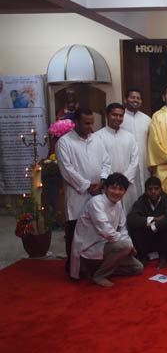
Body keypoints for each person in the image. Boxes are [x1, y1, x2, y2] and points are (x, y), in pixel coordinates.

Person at [56, 107, 111, 271]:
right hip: (77, 195)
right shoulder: (64, 142)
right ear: (76, 122)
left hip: (98, 192)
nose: (90, 127)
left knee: (95, 230)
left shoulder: (97, 140)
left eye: (92, 123)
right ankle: (73, 269)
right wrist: (87, 186)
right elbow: (67, 170)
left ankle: (92, 267)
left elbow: (106, 162)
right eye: (86, 123)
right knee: (75, 233)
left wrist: (102, 181)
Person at [70, 173, 144, 287]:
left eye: (121, 189)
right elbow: (106, 231)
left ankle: (97, 270)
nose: (116, 192)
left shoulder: (118, 204)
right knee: (124, 246)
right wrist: (128, 246)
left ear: (125, 192)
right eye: (113, 188)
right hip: (89, 250)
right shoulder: (96, 202)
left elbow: (122, 229)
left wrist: (129, 245)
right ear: (105, 188)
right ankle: (99, 275)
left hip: (108, 247)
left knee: (137, 268)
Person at [95, 103, 139, 213]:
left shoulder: (129, 136)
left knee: (129, 213)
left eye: (120, 115)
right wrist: (112, 182)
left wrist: (125, 180)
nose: (118, 118)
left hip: (127, 183)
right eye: (114, 115)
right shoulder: (97, 137)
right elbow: (98, 162)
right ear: (107, 115)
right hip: (109, 185)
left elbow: (134, 160)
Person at [127, 176, 167, 268]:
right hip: (148, 235)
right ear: (146, 190)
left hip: (163, 235)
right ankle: (143, 257)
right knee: (135, 229)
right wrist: (153, 219)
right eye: (150, 189)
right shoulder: (141, 200)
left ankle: (164, 257)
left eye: (156, 189)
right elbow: (131, 219)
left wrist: (152, 225)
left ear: (161, 189)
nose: (153, 191)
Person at [121, 89, 152, 200]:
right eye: (132, 97)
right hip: (126, 161)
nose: (136, 100)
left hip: (144, 161)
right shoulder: (120, 118)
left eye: (138, 98)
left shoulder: (147, 119)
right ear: (125, 100)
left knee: (144, 187)